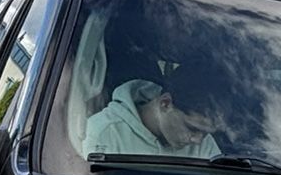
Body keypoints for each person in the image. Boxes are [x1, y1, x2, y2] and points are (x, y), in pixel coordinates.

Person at [82, 58, 220, 160]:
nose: (198, 140)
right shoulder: (103, 133)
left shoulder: (204, 142)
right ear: (165, 104)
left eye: (205, 133)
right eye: (192, 129)